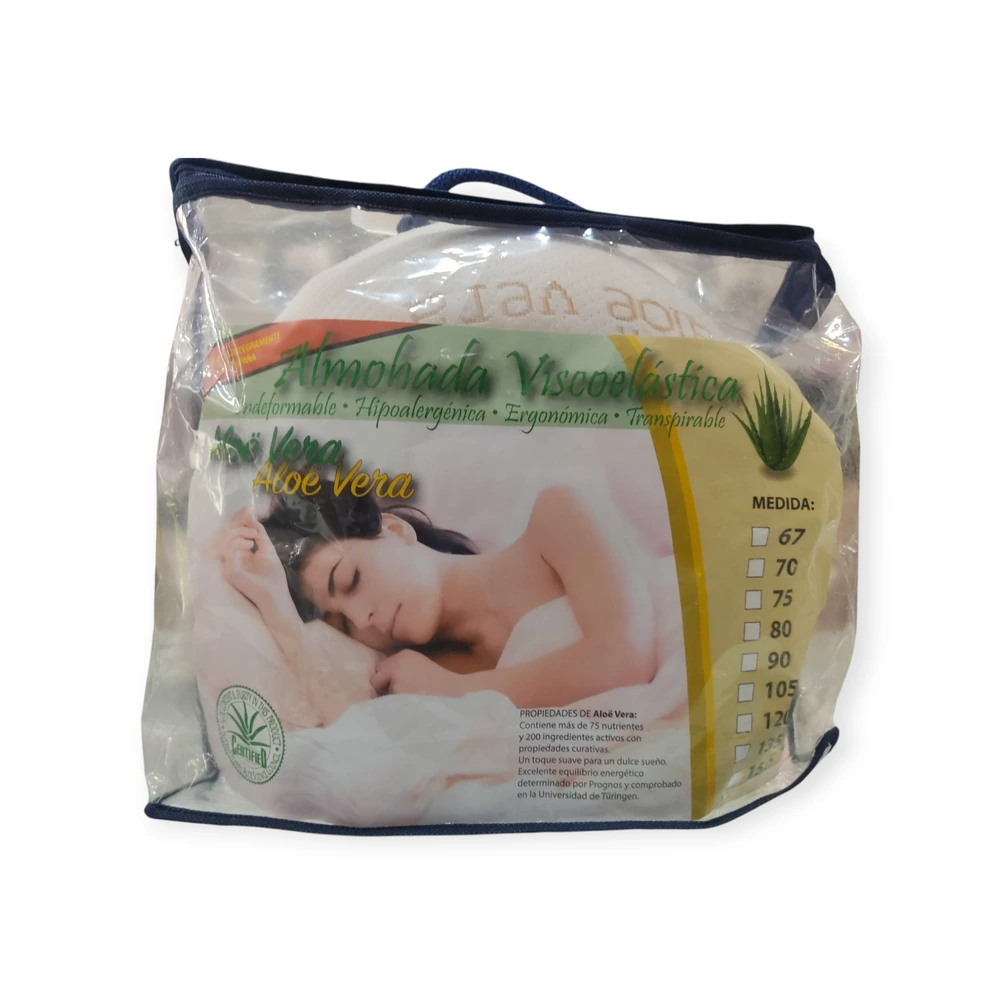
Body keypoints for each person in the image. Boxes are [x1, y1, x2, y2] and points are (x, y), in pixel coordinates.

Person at [216, 480, 660, 715]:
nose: (362, 618)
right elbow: (355, 750)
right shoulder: (421, 674)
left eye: (351, 579)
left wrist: (455, 692)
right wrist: (275, 605)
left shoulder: (558, 514)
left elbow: (626, 659)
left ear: (395, 530)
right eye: (343, 624)